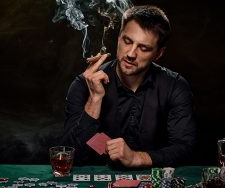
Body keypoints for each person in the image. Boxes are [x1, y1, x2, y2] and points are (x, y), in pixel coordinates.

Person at [61, 4, 196, 168]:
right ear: (119, 38)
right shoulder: (83, 84)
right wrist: (95, 100)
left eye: (144, 48)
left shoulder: (175, 87)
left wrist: (137, 158)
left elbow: (184, 149)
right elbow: (70, 157)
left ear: (159, 53)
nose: (131, 54)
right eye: (127, 41)